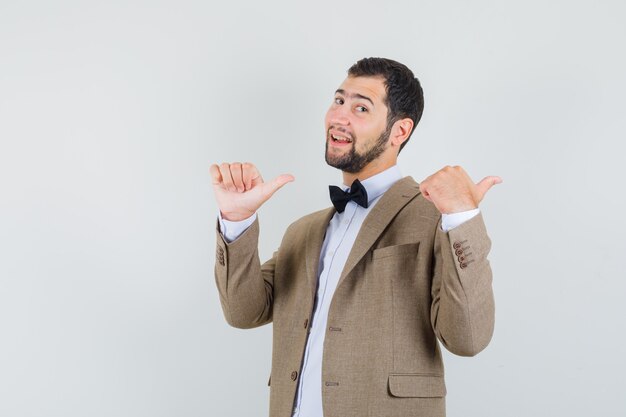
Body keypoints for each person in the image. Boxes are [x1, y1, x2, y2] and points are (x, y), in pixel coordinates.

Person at [210, 57, 500, 417]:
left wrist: (461, 218)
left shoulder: (435, 218)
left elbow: (468, 338)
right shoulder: (303, 231)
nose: (339, 116)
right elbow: (243, 312)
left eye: (361, 107)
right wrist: (237, 220)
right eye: (338, 100)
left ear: (400, 131)